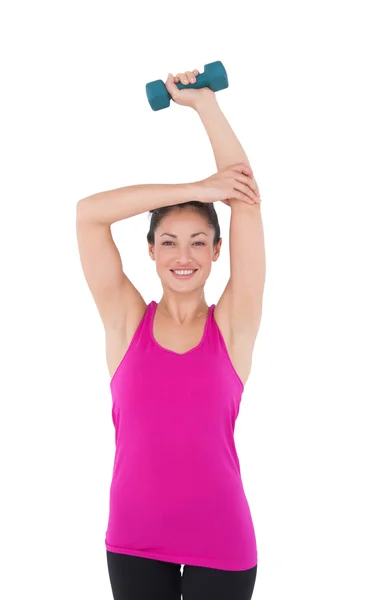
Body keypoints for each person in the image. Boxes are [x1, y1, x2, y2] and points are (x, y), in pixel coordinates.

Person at [76, 67, 266, 600]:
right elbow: (88, 215)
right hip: (134, 540)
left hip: (223, 540)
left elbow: (246, 197)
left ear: (217, 252)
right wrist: (197, 189)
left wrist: (205, 104)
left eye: (200, 242)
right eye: (170, 242)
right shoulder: (125, 321)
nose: (184, 256)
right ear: (151, 250)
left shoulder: (234, 324)